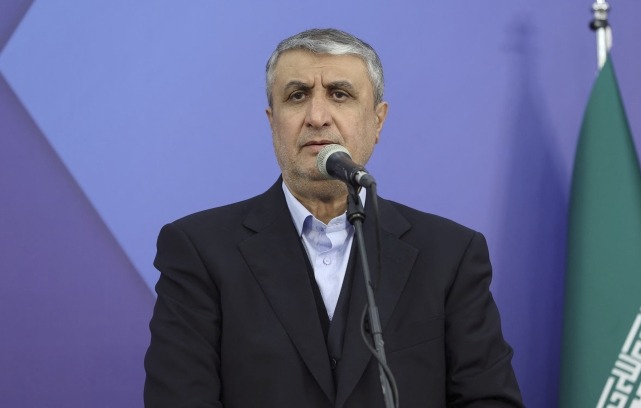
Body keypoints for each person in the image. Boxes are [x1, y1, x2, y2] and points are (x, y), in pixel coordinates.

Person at [144, 28, 523, 407]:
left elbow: (488, 400)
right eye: (297, 96)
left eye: (340, 94)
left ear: (378, 121)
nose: (317, 117)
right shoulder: (199, 250)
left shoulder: (450, 254)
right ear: (272, 121)